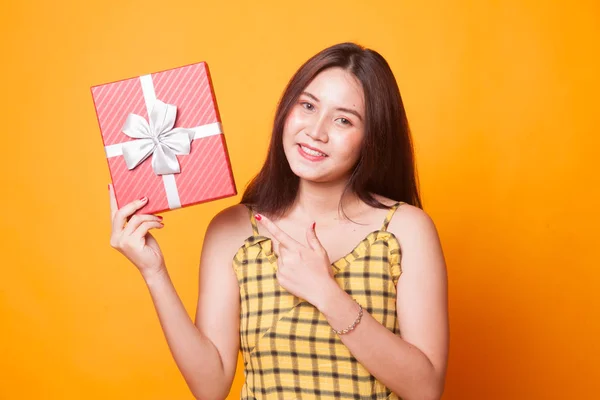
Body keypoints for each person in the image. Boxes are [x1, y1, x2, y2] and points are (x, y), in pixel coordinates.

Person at [108, 42, 449, 400]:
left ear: (372, 138)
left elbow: (425, 390)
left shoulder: (404, 230)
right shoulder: (232, 230)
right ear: (287, 110)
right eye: (308, 106)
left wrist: (327, 294)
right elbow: (210, 387)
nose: (316, 132)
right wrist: (154, 272)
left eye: (344, 120)